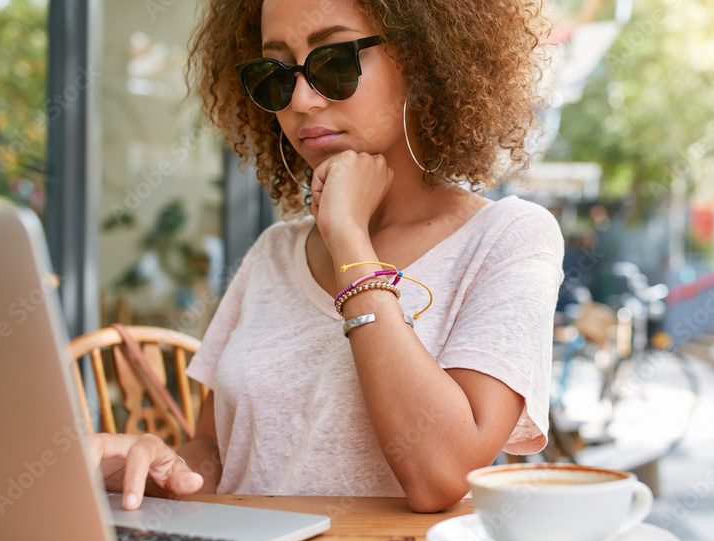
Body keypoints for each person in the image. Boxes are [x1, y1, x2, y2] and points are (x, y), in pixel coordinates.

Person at [95, 0, 564, 513]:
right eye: (275, 75)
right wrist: (160, 472)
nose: (301, 99)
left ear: (422, 59)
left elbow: (442, 474)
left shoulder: (508, 238)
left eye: (334, 62)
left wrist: (348, 240)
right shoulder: (274, 252)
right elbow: (212, 449)